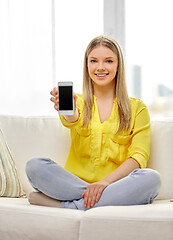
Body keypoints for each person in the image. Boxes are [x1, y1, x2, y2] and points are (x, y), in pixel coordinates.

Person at [26, 36, 161, 210]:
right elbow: (72, 119)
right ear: (87, 65)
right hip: (72, 184)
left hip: (114, 185)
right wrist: (70, 110)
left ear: (118, 65)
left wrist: (104, 183)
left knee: (151, 179)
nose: (100, 67)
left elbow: (138, 157)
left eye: (109, 61)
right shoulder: (78, 102)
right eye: (94, 61)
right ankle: (95, 200)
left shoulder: (137, 108)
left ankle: (68, 205)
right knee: (35, 166)